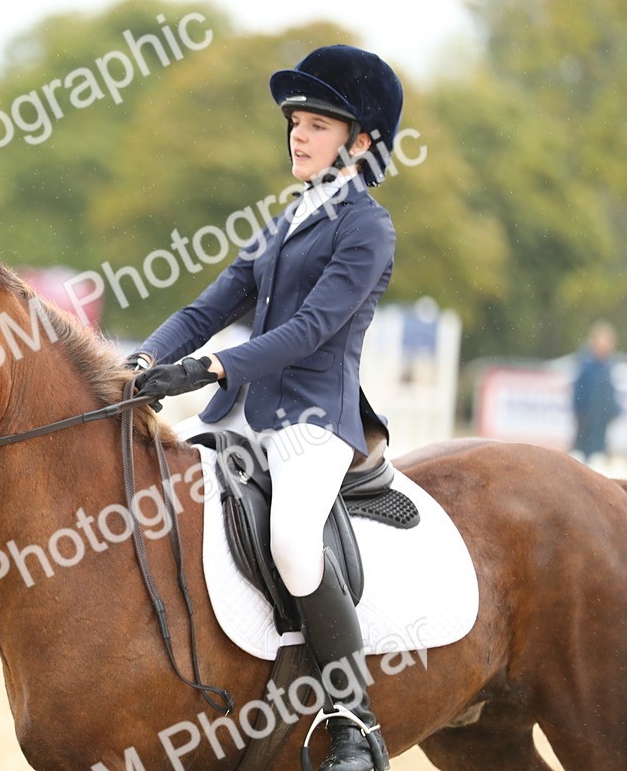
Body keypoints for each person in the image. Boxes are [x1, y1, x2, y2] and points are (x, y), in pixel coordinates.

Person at [126, 45, 403, 771]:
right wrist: (144, 360)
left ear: (362, 141)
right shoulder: (285, 221)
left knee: (290, 542)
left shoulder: (366, 228)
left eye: (317, 124)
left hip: (314, 420)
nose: (298, 135)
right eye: (295, 123)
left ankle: (353, 721)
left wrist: (214, 365)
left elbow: (313, 329)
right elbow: (211, 304)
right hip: (240, 412)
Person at [571, 320, 620, 463]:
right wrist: (580, 414)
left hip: (601, 422)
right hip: (587, 422)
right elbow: (579, 394)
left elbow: (610, 393)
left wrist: (614, 411)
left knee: (599, 457)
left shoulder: (608, 367)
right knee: (582, 456)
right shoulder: (586, 366)